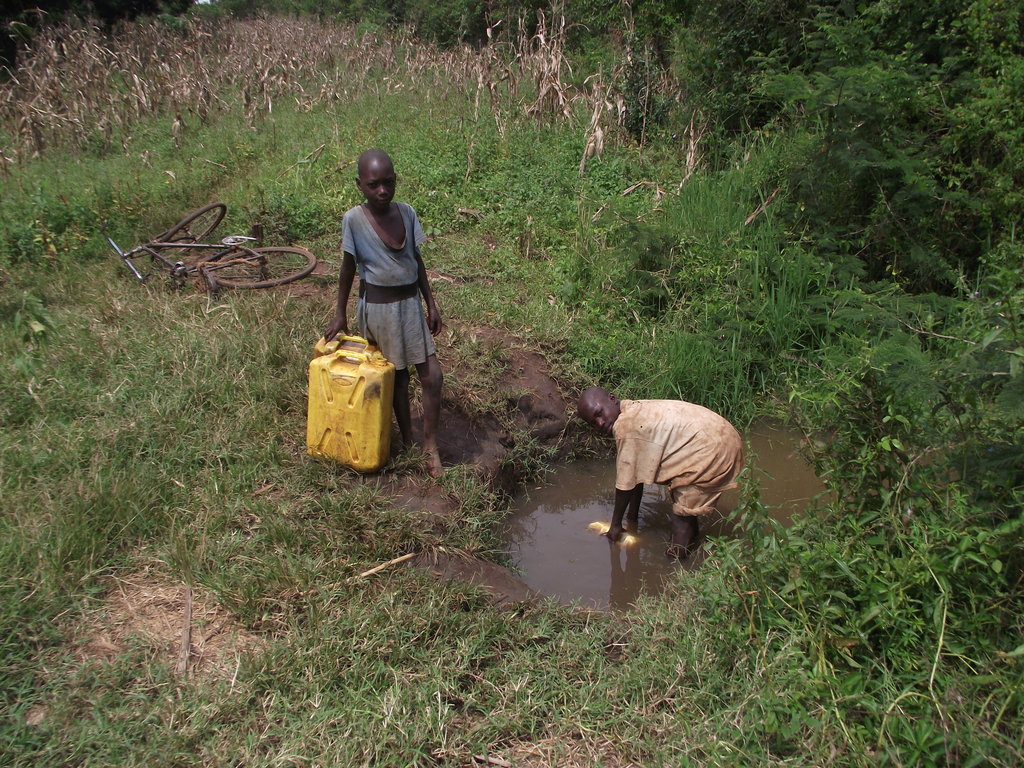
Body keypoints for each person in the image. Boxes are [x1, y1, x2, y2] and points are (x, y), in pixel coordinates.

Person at [324, 149, 444, 477]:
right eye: (373, 184)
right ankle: (407, 441)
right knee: (398, 379)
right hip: (377, 309)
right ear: (360, 185)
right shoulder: (354, 220)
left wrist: (430, 304)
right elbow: (348, 268)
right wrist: (340, 313)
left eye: (388, 183)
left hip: (409, 307)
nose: (382, 191)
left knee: (432, 376)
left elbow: (415, 260)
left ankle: (431, 447)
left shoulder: (406, 213)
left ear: (396, 180)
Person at [577, 386, 744, 558]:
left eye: (599, 413)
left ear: (612, 398)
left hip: (713, 447)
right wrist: (632, 520)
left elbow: (624, 486)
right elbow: (636, 478)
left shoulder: (625, 426)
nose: (600, 423)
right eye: (593, 423)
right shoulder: (632, 409)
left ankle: (676, 564)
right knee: (686, 509)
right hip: (720, 434)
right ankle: (692, 542)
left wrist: (615, 527)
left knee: (682, 515)